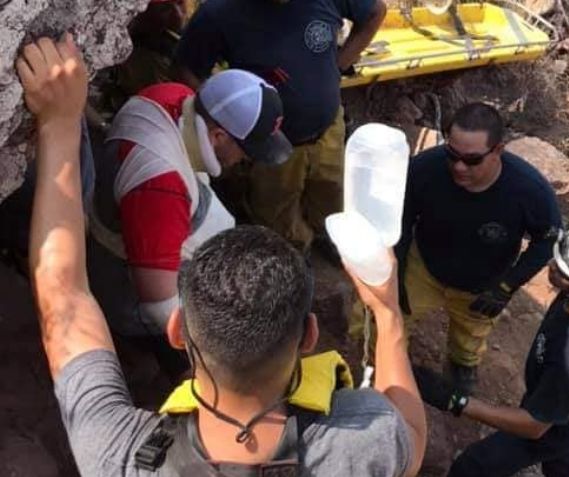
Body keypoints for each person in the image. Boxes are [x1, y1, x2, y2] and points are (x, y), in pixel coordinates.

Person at [17, 34, 425, 476]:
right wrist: (386, 313)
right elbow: (411, 437)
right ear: (309, 336)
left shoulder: (119, 454)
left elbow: (64, 297)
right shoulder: (359, 451)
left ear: (179, 330)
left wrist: (59, 124)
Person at [86, 67, 293, 379]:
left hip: (154, 231)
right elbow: (159, 303)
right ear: (218, 136)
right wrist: (210, 356)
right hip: (131, 289)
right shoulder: (160, 188)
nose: (246, 159)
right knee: (190, 366)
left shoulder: (173, 96)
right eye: (246, 150)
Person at [352, 102, 562, 393]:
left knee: (470, 335)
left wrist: (506, 286)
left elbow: (547, 240)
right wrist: (396, 272)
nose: (459, 166)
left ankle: (461, 365)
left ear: (498, 150)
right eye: (452, 155)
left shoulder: (529, 191)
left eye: (472, 160)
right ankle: (381, 361)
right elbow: (401, 216)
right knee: (388, 315)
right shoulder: (425, 168)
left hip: (483, 283)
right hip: (423, 266)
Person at [414, 221, 569, 476]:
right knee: (564, 460)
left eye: (565, 273)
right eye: (558, 259)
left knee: (474, 465)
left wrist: (454, 400)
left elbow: (535, 426)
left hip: (556, 426)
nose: (552, 268)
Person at [174, 0, 387, 251]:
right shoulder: (219, 11)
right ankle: (294, 258)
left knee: (332, 194)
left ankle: (329, 240)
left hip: (328, 127)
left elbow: (375, 12)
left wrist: (338, 64)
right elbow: (184, 69)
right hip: (269, 142)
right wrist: (225, 116)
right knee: (278, 218)